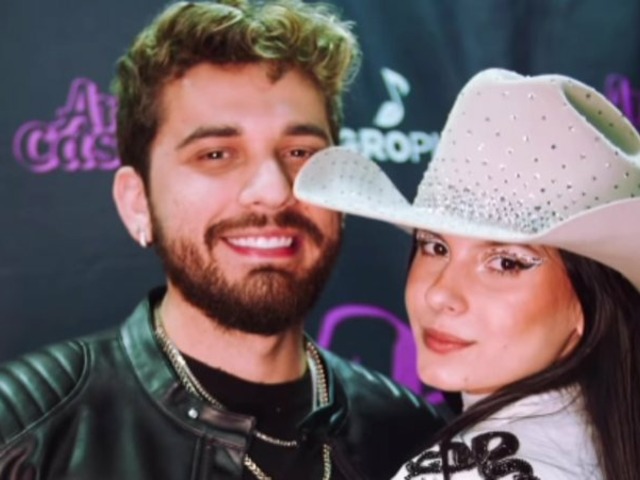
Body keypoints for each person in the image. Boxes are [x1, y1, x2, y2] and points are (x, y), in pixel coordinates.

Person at [0, 1, 445, 479]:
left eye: (300, 152)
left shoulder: (411, 438)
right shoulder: (24, 432)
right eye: (216, 154)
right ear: (138, 202)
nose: (273, 191)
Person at [294, 68, 640, 479]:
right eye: (435, 247)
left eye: (505, 262)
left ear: (586, 303)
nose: (440, 293)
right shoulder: (606, 442)